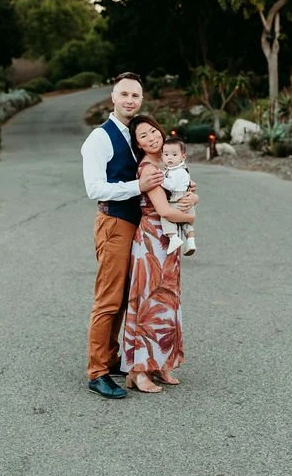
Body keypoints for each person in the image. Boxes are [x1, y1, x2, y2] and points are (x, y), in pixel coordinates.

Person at [81, 72, 164, 399]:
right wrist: (136, 186)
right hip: (114, 223)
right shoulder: (99, 138)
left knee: (126, 297)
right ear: (112, 97)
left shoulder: (135, 136)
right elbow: (94, 188)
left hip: (137, 226)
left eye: (136, 96)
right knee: (109, 298)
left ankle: (112, 357)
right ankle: (97, 371)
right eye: (125, 94)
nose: (131, 100)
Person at [121, 115, 197, 393]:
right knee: (148, 300)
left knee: (168, 300)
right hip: (152, 240)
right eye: (144, 136)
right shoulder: (148, 169)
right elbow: (164, 210)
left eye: (154, 131)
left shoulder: (169, 161)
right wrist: (191, 219)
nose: (152, 137)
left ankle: (162, 363)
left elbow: (185, 188)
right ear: (138, 144)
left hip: (169, 240)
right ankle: (139, 370)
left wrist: (194, 198)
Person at [159, 137, 197, 256]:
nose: (169, 158)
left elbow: (171, 185)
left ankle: (173, 237)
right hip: (185, 198)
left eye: (174, 154)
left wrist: (160, 179)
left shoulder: (177, 171)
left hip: (177, 199)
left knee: (166, 218)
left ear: (183, 157)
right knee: (185, 223)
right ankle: (190, 241)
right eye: (166, 154)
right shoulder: (179, 169)